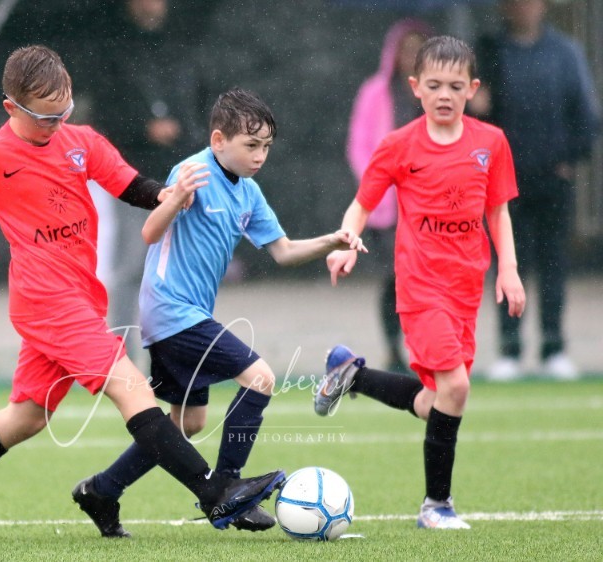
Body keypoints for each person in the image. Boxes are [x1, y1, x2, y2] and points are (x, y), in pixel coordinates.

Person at [0, 45, 285, 542]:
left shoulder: (82, 141)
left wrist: (171, 197)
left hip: (81, 297)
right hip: (45, 302)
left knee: (26, 418)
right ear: (11, 108)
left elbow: (132, 186)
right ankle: (215, 493)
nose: (57, 125)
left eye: (64, 112)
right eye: (45, 118)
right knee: (130, 386)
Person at [72, 88, 366, 536]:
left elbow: (283, 252)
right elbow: (150, 233)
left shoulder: (248, 193)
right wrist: (173, 199)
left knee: (184, 425)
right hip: (172, 312)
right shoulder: (192, 173)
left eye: (266, 146)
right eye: (251, 145)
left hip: (183, 317)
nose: (260, 155)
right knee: (262, 378)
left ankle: (101, 490)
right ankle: (228, 490)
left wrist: (333, 240)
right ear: (218, 141)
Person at [315, 36, 526, 530]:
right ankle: (436, 505)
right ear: (415, 87)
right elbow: (362, 204)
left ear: (473, 88)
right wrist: (347, 242)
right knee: (457, 387)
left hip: (466, 289)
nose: (445, 94)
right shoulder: (398, 145)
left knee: (436, 401)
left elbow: (498, 211)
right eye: (434, 85)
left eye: (456, 85)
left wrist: (510, 270)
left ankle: (352, 374)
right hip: (420, 287)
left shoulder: (490, 143)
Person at [471, 0, 601, 381]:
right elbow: (472, 112)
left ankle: (553, 347)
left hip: (552, 180)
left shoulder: (565, 53)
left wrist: (568, 157)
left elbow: (586, 117)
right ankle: (510, 349)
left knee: (553, 264)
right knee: (509, 265)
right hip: (502, 183)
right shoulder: (489, 51)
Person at [89, 0, 209, 361]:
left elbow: (200, 105)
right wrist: (143, 129)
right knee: (132, 265)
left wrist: (184, 131)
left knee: (178, 268)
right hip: (134, 176)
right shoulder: (113, 50)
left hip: (179, 173)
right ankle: (122, 353)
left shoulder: (183, 48)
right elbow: (104, 114)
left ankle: (174, 351)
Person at [345, 18, 432, 372]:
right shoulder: (375, 92)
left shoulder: (434, 94)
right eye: (406, 50)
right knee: (394, 279)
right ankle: (394, 346)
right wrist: (379, 182)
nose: (410, 56)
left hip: (427, 203)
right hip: (388, 205)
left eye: (418, 50)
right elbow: (359, 144)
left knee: (425, 279)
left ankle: (424, 345)